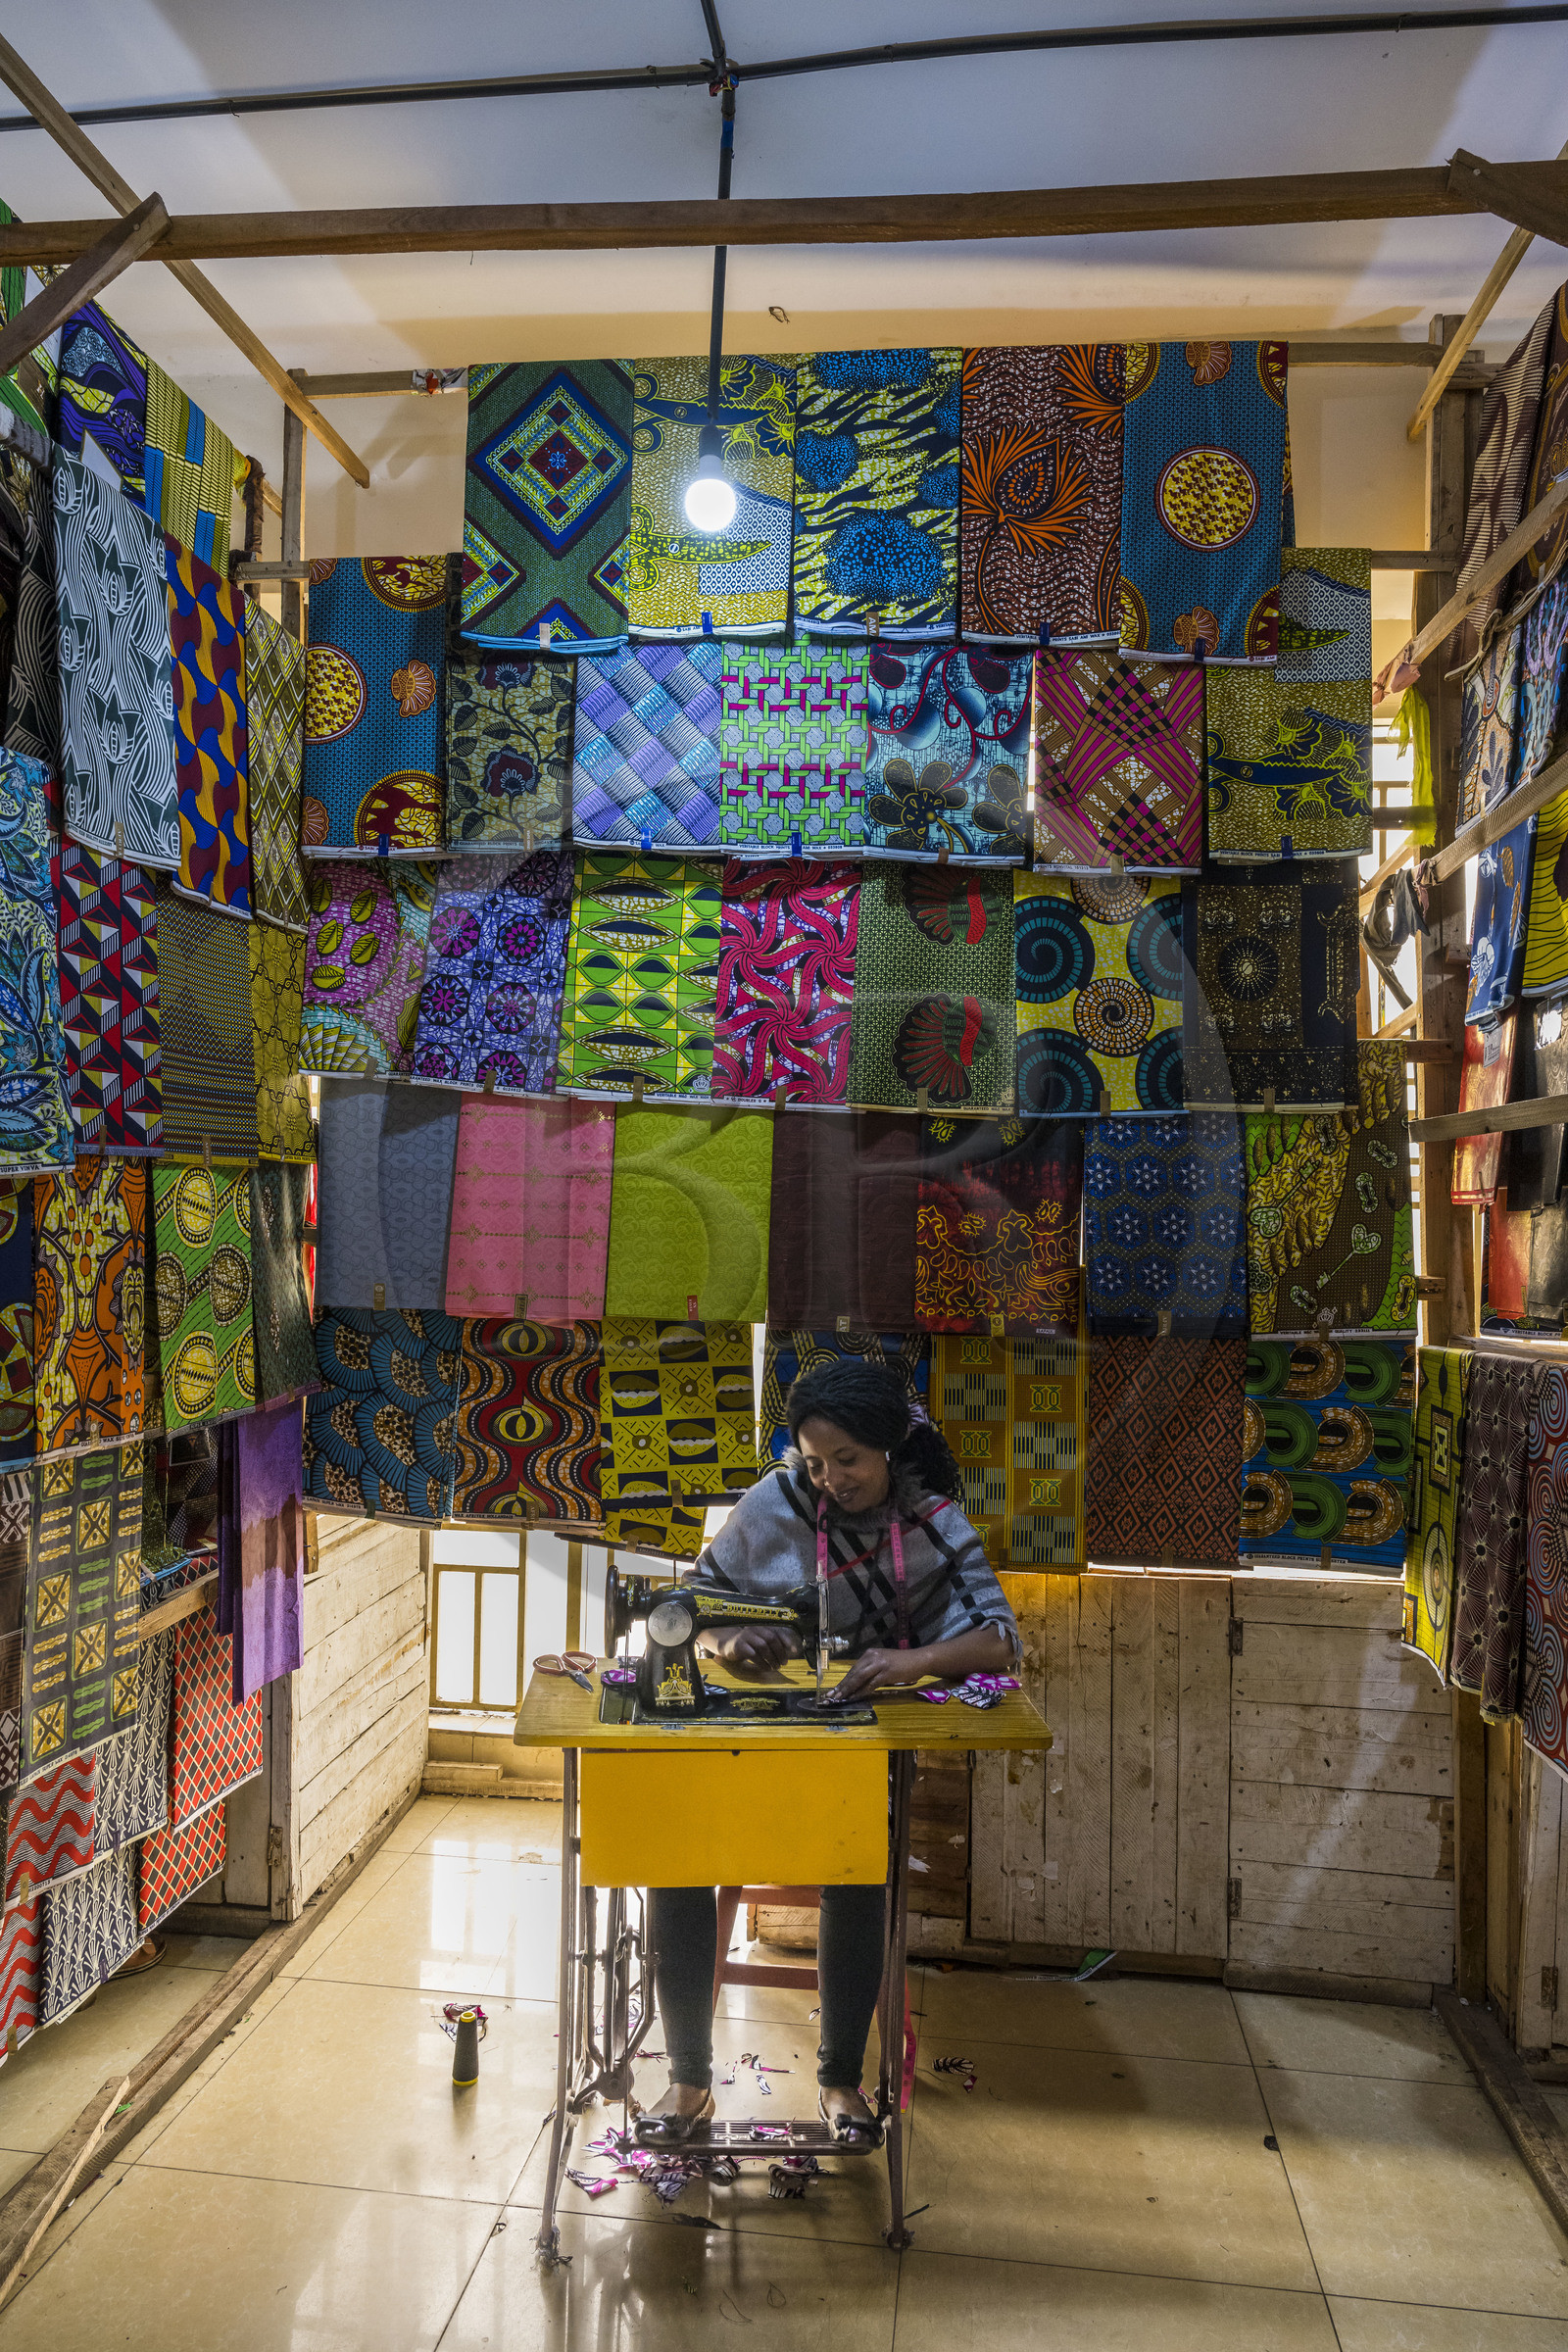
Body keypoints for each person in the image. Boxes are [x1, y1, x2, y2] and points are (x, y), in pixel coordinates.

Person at [637, 1356, 1019, 2150]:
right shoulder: (774, 1503)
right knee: (674, 1858)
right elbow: (689, 1604)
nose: (830, 1480)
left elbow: (999, 1639)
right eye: (815, 1462)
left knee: (858, 1868)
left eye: (848, 1460)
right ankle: (688, 2080)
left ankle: (840, 2081)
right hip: (744, 1747)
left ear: (889, 1447)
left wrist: (911, 1661)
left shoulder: (932, 1525)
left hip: (848, 1762)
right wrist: (726, 1637)